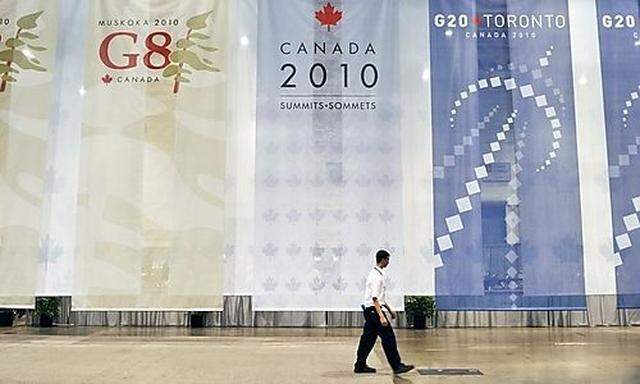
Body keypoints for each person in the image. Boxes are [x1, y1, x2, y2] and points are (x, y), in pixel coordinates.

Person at [354, 249, 414, 375]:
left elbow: (381, 298)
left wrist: (389, 309)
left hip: (371, 311)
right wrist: (381, 316)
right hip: (374, 311)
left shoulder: (376, 274)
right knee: (388, 338)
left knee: (368, 339)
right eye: (388, 259)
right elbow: (375, 299)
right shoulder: (376, 277)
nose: (388, 262)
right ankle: (397, 365)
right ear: (383, 260)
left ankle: (360, 365)